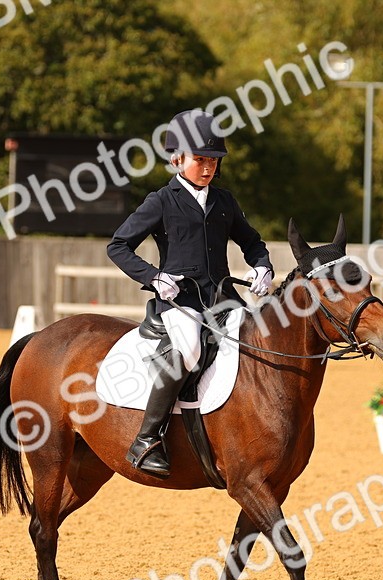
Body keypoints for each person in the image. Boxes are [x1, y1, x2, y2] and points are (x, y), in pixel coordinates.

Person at [107, 109, 275, 478]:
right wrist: (154, 277)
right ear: (176, 158)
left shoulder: (224, 201)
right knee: (190, 349)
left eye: (213, 160)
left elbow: (251, 241)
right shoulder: (161, 201)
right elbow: (118, 246)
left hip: (224, 300)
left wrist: (263, 265)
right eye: (200, 159)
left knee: (257, 341)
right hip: (179, 302)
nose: (208, 167)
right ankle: (147, 438)